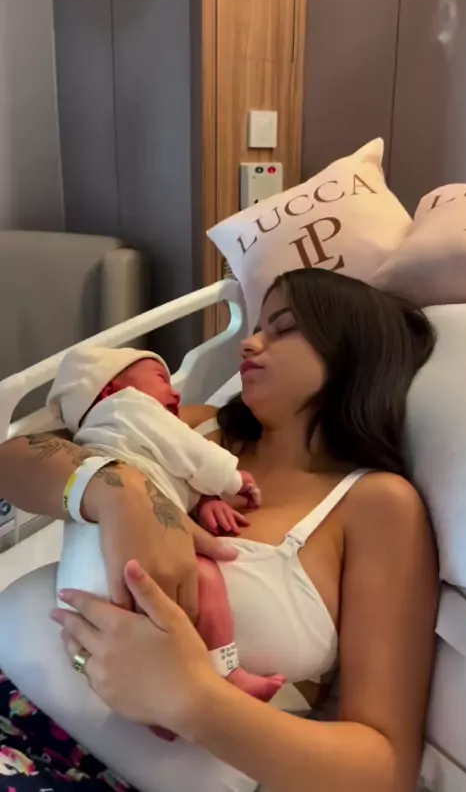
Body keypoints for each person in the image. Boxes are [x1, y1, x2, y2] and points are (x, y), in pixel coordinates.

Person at [0, 268, 439, 792]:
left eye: (284, 328)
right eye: (256, 327)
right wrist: (119, 492)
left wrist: (191, 699)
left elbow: (386, 769)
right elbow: (13, 460)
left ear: (352, 350)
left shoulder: (376, 505)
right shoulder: (200, 427)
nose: (250, 344)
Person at [50, 344, 283, 725]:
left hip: (81, 581)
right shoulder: (129, 408)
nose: (175, 392)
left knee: (140, 649)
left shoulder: (105, 439)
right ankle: (227, 673)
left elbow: (165, 479)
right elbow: (188, 451)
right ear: (111, 391)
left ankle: (152, 715)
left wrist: (205, 501)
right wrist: (231, 479)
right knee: (206, 578)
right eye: (161, 378)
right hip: (124, 563)